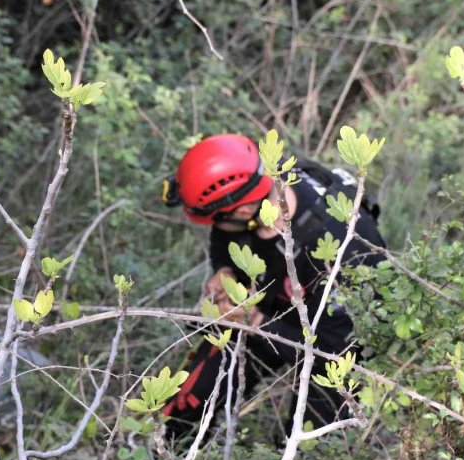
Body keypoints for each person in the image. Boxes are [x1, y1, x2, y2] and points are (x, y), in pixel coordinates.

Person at [159, 133, 385, 438]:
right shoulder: (256, 189)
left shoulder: (347, 250)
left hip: (334, 345)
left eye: (217, 218)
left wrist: (256, 323)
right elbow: (224, 236)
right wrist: (225, 271)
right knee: (187, 402)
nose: (216, 227)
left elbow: (335, 352)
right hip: (266, 304)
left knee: (309, 453)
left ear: (241, 211)